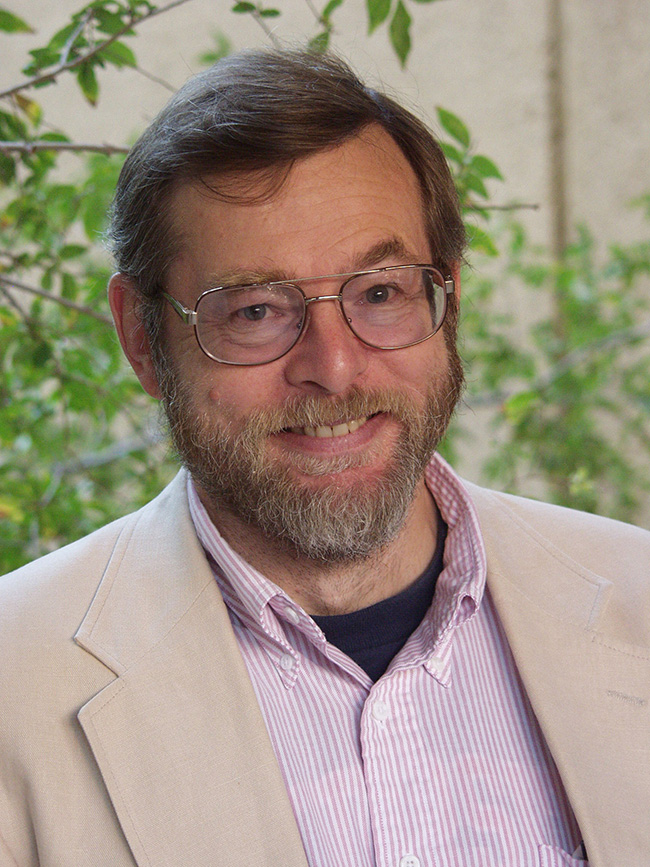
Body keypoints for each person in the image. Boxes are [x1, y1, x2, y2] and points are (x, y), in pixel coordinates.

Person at [0, 48, 648, 867]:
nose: (334, 369)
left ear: (446, 299)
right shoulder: (12, 690)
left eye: (380, 293)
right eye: (257, 310)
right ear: (140, 337)